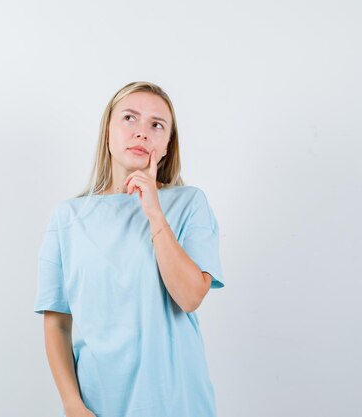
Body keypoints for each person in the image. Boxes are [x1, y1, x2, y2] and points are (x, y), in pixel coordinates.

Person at [33, 81, 225, 417]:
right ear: (108, 132)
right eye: (129, 118)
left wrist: (153, 210)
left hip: (178, 404)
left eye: (156, 125)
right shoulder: (68, 218)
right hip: (99, 405)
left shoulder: (189, 204)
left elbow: (191, 296)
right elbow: (57, 323)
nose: (142, 133)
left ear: (166, 145)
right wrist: (72, 404)